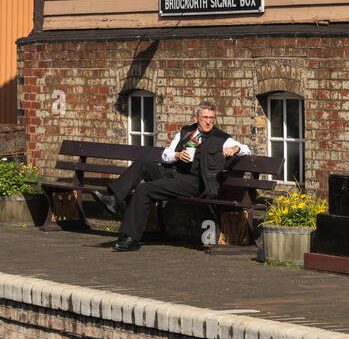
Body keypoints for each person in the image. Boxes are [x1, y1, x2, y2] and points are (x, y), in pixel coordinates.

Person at [96, 101, 250, 252]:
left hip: (192, 182)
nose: (208, 122)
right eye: (205, 117)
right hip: (172, 172)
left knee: (144, 189)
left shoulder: (220, 137)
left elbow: (246, 149)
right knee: (141, 164)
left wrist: (235, 148)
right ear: (196, 117)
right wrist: (177, 155)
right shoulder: (186, 132)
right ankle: (114, 199)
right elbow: (166, 155)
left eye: (211, 118)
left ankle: (130, 239)